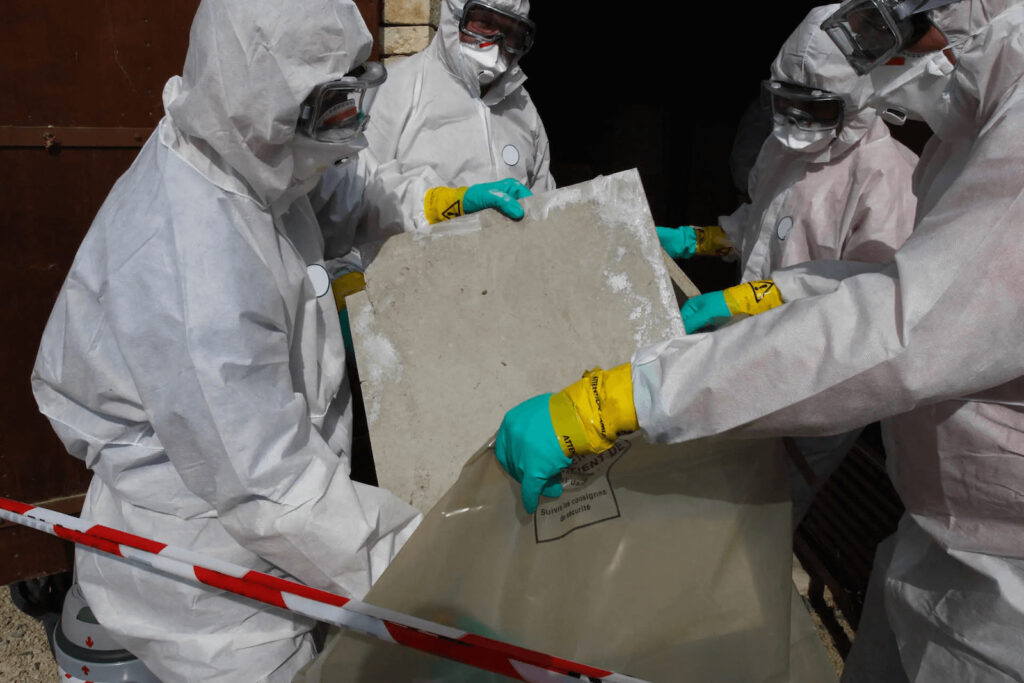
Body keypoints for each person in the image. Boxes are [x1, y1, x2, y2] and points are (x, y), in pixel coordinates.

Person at [494, 0, 1024, 680]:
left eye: (892, 30)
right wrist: (748, 283)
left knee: (754, 519)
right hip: (938, 528)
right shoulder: (974, 124)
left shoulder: (943, 149)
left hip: (1002, 578)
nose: (889, 57)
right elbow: (891, 281)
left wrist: (632, 396)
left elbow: (899, 329)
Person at [30, 1, 421, 680]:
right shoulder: (197, 267)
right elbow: (276, 489)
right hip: (208, 587)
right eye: (330, 107)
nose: (349, 128)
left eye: (354, 93)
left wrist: (431, 206)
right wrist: (434, 572)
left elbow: (333, 194)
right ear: (262, 103)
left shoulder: (240, 153)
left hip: (254, 517)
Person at [665, 5, 921, 522]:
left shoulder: (887, 179)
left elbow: (869, 300)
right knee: (711, 488)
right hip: (744, 348)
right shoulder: (781, 149)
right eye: (785, 103)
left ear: (855, 102)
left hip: (814, 377)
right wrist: (701, 240)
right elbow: (761, 223)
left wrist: (750, 298)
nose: (797, 121)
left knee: (766, 510)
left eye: (815, 109)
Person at [348, 0, 554, 260]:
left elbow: (546, 205)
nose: (497, 42)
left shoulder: (523, 110)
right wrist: (447, 205)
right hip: (412, 275)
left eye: (511, 32)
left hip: (506, 275)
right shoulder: (395, 90)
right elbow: (356, 196)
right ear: (454, 17)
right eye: (485, 23)